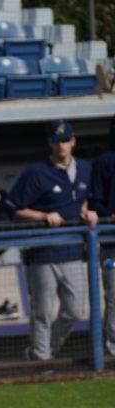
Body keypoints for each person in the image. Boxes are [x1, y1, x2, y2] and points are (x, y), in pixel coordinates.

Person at [6, 120, 97, 361]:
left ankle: (46, 351)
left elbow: (84, 198)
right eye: (57, 141)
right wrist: (43, 216)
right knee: (43, 312)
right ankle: (41, 361)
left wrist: (86, 211)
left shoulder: (86, 169)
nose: (62, 146)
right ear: (50, 143)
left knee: (75, 311)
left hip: (74, 250)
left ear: (74, 141)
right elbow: (14, 208)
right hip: (42, 252)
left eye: (65, 140)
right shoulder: (36, 172)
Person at [87, 115, 115, 356]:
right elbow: (94, 201)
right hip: (111, 241)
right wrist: (110, 214)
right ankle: (113, 350)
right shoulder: (105, 161)